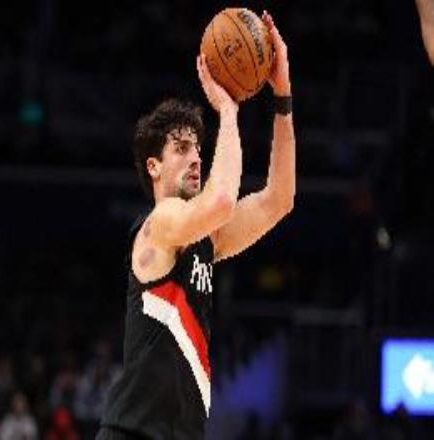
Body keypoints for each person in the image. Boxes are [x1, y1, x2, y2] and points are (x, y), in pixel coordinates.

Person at [97, 12, 295, 440]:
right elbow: (221, 200)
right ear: (154, 166)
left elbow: (279, 199)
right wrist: (228, 111)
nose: (195, 158)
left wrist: (282, 97)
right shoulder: (160, 224)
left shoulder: (207, 238)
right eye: (182, 148)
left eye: (198, 150)